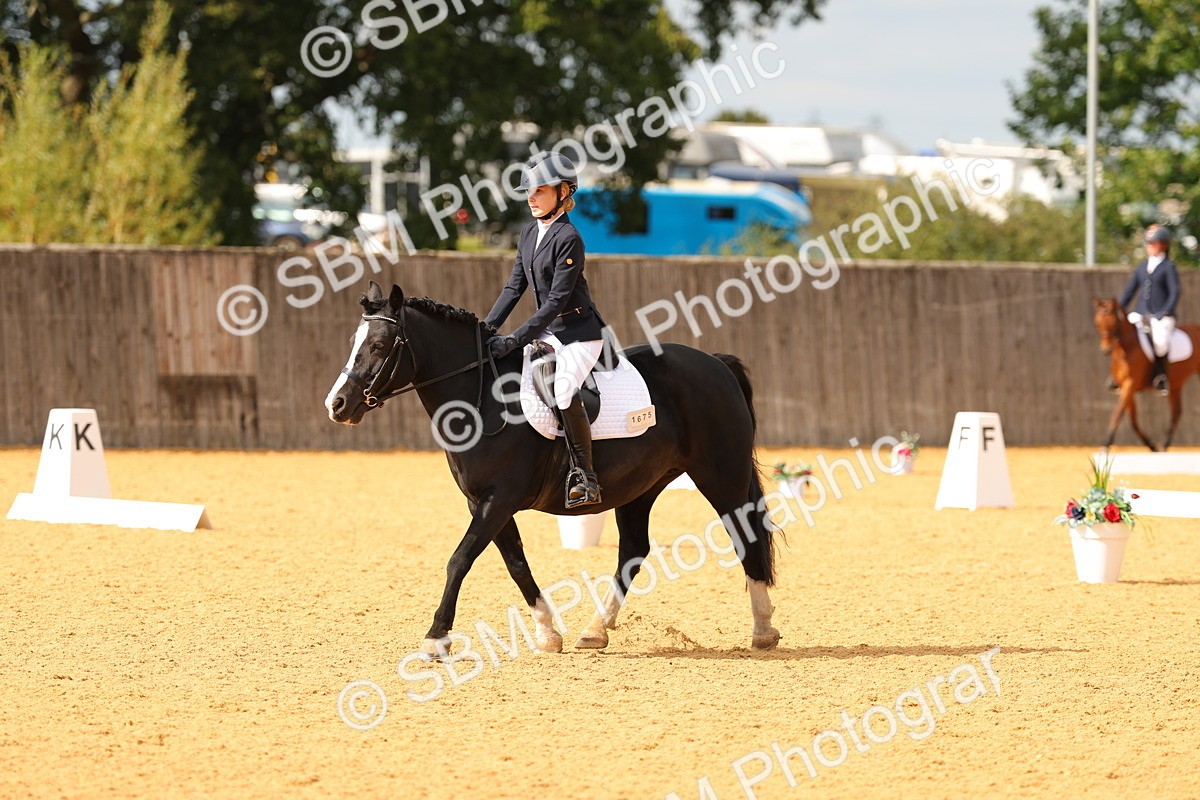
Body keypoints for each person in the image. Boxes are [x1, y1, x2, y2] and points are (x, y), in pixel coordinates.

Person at [483, 151, 606, 508]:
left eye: (539, 191)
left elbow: (555, 302)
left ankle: (586, 477)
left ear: (563, 192)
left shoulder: (569, 238)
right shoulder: (527, 234)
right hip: (548, 331)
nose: (531, 198)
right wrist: (486, 328)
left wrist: (515, 338)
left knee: (564, 391)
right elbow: (513, 288)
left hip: (578, 334)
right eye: (529, 191)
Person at [1118, 225, 1180, 395]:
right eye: (1148, 243)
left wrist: (1165, 310)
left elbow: (1175, 292)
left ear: (1164, 245)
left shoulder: (1168, 267)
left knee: (1160, 343)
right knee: (1122, 333)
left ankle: (1161, 377)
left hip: (1161, 315)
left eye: (1153, 243)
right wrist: (1119, 309)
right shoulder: (1142, 266)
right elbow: (1130, 291)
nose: (1149, 246)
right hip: (1141, 313)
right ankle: (1118, 374)